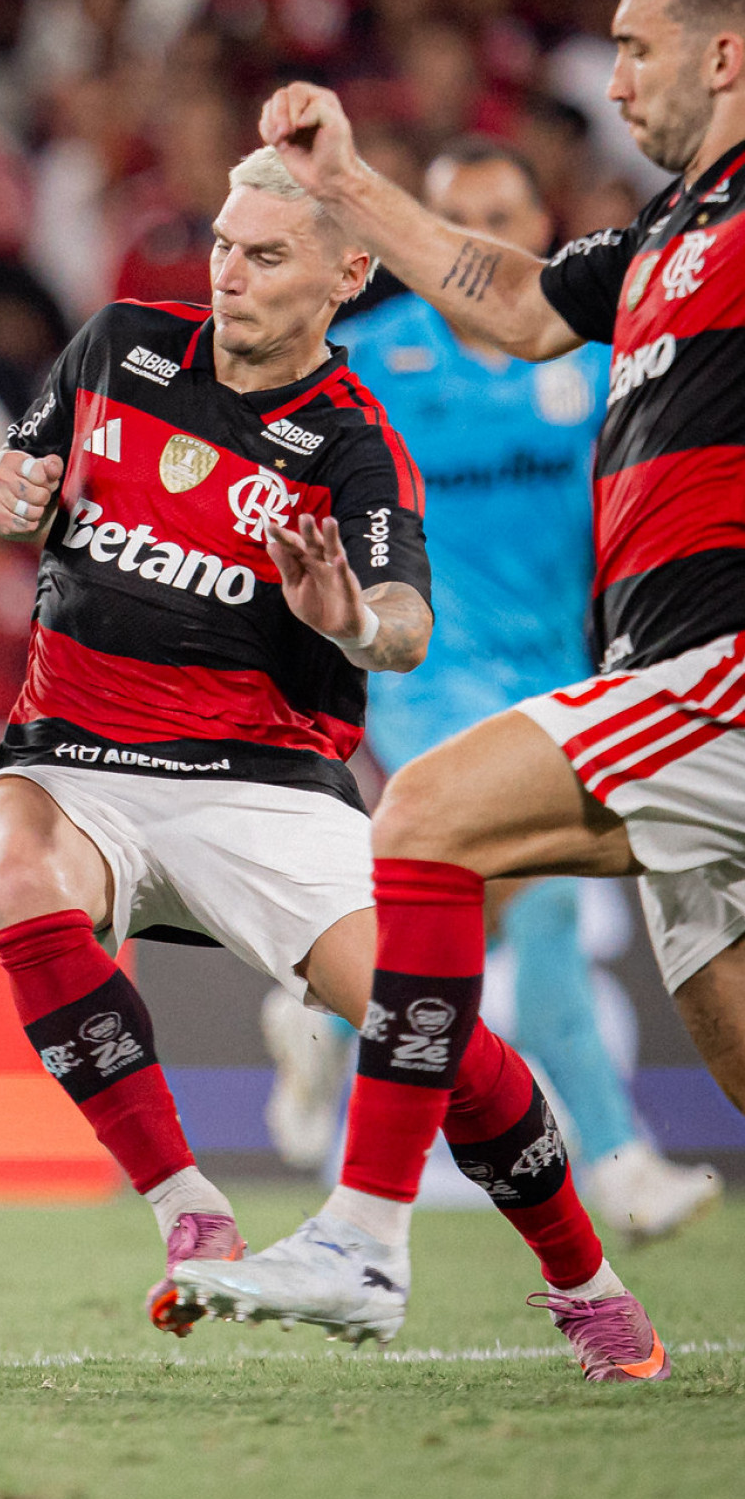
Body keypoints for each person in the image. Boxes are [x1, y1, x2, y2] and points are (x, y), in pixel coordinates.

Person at [0, 144, 656, 1377]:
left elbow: (405, 630)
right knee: (7, 848)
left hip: (261, 786)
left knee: (431, 1035)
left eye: (265, 255)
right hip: (79, 762)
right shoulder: (117, 342)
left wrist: (344, 614)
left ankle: (588, 1285)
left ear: (345, 274)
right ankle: (186, 1199)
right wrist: (8, 491)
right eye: (224, 243)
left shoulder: (350, 446)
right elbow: (24, 480)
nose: (228, 272)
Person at [177, 0, 745, 1378]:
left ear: (727, 55)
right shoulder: (673, 235)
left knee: (422, 820)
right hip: (654, 683)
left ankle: (364, 1233)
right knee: (729, 1030)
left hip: (716, 674)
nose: (613, 76)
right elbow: (511, 297)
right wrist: (344, 182)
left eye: (639, 44)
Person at [266, 135, 721, 1241]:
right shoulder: (372, 363)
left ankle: (322, 1021)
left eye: (504, 216)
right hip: (428, 670)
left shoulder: (600, 361)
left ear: (539, 230)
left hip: (574, 673)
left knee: (473, 896)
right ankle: (618, 1162)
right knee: (549, 900)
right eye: (455, 217)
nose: (479, 239)